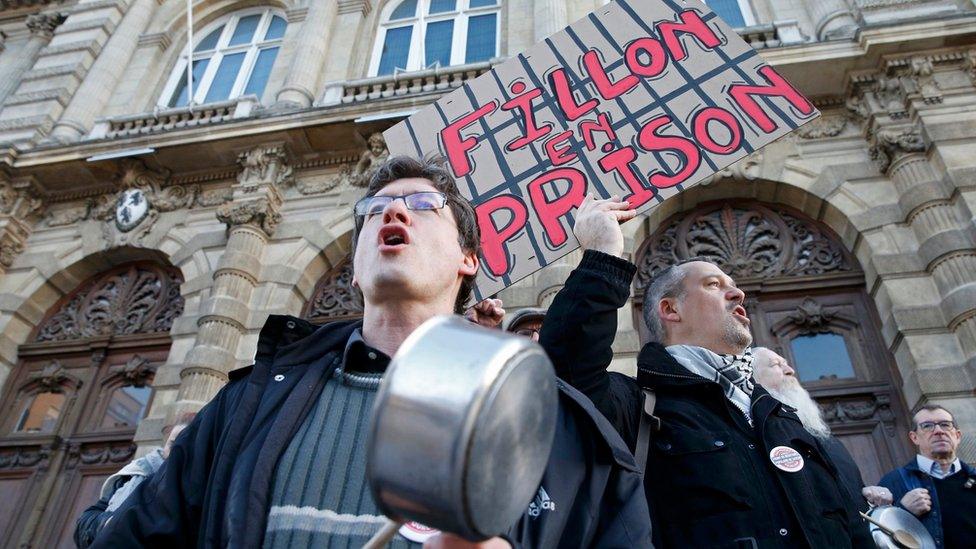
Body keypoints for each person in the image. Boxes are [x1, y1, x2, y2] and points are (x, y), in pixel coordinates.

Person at [94, 157, 651, 548]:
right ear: (356, 266)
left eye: (422, 205)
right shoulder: (244, 407)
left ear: (467, 259)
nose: (394, 213)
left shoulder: (560, 424)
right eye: (375, 208)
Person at [539, 194, 867, 547]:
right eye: (714, 285)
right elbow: (565, 370)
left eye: (732, 285)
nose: (738, 293)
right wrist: (603, 254)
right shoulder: (638, 409)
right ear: (670, 309)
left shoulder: (781, 416)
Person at [752, 347, 887, 547]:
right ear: (751, 378)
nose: (790, 370)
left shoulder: (826, 438)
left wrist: (870, 494)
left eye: (786, 363)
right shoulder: (754, 439)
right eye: (776, 365)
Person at [74, 414, 195, 547]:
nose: (174, 453)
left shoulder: (193, 491)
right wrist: (108, 523)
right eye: (172, 445)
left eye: (181, 448)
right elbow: (84, 522)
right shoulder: (136, 473)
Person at [879, 404, 976, 548]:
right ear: (914, 437)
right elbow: (877, 537)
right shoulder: (893, 482)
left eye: (945, 425)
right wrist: (902, 512)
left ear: (957, 436)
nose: (938, 431)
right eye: (927, 426)